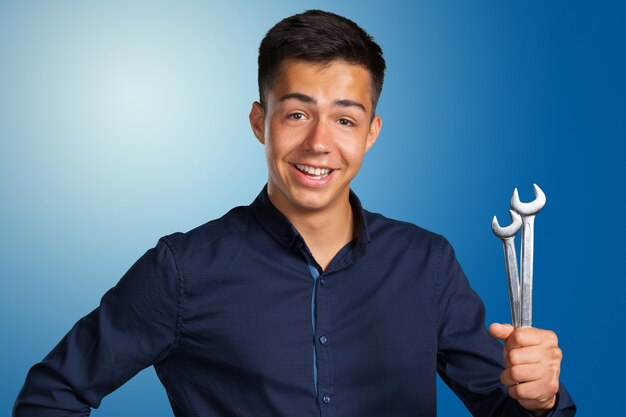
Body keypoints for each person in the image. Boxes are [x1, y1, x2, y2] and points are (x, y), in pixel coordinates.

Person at [14, 9, 576, 417]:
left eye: (346, 119)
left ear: (372, 133)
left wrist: (542, 398)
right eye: (297, 114)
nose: (319, 144)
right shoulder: (181, 269)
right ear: (260, 122)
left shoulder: (426, 263)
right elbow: (51, 395)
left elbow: (511, 410)